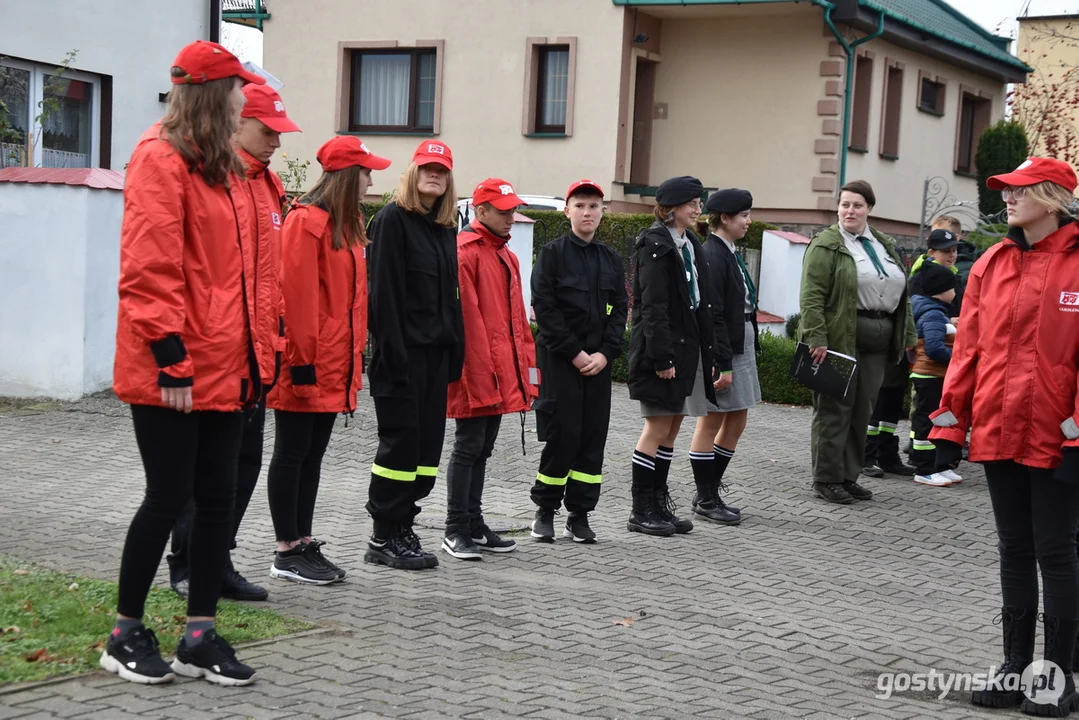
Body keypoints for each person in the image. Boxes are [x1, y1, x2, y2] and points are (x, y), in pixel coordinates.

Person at [101, 40, 264, 687]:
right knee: (167, 497)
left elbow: (242, 279)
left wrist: (256, 359)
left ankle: (198, 633)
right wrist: (172, 359)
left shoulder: (224, 168)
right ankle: (124, 632)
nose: (243, 99)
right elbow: (149, 267)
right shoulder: (158, 159)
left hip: (224, 368)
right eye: (236, 88)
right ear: (211, 94)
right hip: (173, 370)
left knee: (217, 502)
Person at [930, 158, 1079, 714]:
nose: (1008, 200)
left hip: (1057, 436)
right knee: (1014, 549)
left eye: (1019, 191)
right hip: (999, 427)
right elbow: (968, 349)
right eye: (1006, 192)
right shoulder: (992, 262)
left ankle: (1057, 676)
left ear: (1054, 196)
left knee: (1056, 551)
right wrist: (949, 423)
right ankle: (1016, 667)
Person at [166, 82, 299, 603]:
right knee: (204, 470)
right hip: (215, 351)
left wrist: (277, 339)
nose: (276, 144)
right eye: (268, 132)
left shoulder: (267, 186)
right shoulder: (219, 177)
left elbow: (271, 280)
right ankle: (187, 564)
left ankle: (217, 559)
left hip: (257, 355)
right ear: (239, 123)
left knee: (243, 465)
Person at [265, 136, 388, 583]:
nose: (372, 179)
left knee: (312, 454)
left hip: (332, 362)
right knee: (293, 452)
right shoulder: (306, 223)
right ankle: (286, 548)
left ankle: (301, 542)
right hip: (308, 361)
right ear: (347, 175)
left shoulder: (345, 223)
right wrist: (301, 363)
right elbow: (294, 299)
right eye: (366, 172)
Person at [365, 140, 464, 570]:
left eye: (441, 170)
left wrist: (454, 353)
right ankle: (384, 535)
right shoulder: (391, 220)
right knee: (399, 450)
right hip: (401, 359)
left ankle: (405, 523)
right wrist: (393, 355)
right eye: (427, 167)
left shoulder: (444, 228)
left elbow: (450, 298)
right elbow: (382, 295)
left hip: (435, 358)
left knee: (426, 451)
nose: (434, 175)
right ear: (412, 172)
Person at [798, 180, 916, 504]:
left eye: (857, 205)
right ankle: (826, 478)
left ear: (869, 209)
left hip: (878, 341)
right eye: (845, 204)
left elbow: (903, 296)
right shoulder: (827, 244)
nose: (850, 210)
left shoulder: (883, 243)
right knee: (834, 410)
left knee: (862, 410)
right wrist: (816, 338)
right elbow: (811, 297)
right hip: (837, 339)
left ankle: (849, 476)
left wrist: (907, 337)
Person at [442, 178, 539, 559]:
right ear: (480, 212)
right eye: (503, 211)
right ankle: (455, 528)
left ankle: (473, 522)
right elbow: (469, 323)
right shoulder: (466, 253)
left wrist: (523, 374)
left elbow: (515, 323)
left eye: (513, 210)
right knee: (468, 448)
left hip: (499, 371)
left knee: (482, 449)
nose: (511, 217)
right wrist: (483, 376)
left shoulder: (506, 255)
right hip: (477, 371)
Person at [529, 180, 628, 543]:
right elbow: (546, 310)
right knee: (563, 435)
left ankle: (580, 514)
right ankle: (545, 510)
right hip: (560, 362)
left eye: (594, 206)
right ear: (567, 210)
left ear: (602, 213)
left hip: (598, 366)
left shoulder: (610, 259)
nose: (588, 212)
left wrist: (605, 353)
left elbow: (620, 311)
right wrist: (576, 353)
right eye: (581, 205)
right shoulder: (552, 255)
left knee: (591, 438)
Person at [626, 176, 720, 536]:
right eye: (692, 205)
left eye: (699, 204)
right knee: (657, 426)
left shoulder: (689, 242)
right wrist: (662, 358)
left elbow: (699, 302)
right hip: (663, 352)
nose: (698, 210)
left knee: (674, 425)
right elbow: (653, 307)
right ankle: (641, 509)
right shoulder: (655, 244)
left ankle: (659, 503)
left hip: (688, 349)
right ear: (670, 209)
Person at [689, 188, 760, 526]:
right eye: (744, 215)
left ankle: (710, 489)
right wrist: (723, 362)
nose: (749, 221)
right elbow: (713, 312)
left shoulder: (728, 250)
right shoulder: (713, 255)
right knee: (712, 420)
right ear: (726, 219)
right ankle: (705, 497)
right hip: (724, 347)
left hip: (738, 339)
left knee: (738, 419)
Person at [906, 262, 960, 486]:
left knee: (933, 420)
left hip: (931, 376)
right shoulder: (933, 313)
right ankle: (924, 468)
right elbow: (934, 347)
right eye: (952, 288)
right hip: (929, 376)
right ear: (940, 290)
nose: (955, 292)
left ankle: (936, 465)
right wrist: (957, 360)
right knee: (925, 422)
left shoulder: (933, 310)